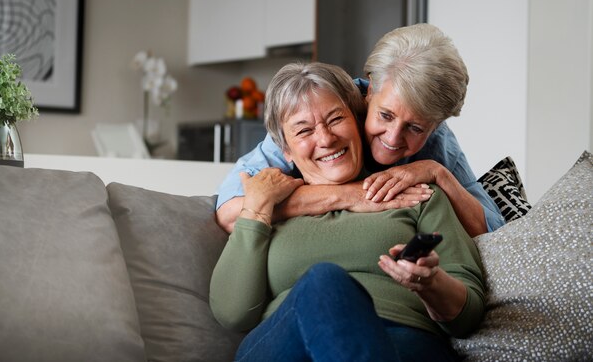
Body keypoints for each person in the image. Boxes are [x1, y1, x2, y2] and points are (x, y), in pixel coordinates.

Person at [209, 62, 485, 361]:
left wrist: (431, 284)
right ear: (285, 149)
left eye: (336, 118)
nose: (326, 139)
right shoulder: (267, 209)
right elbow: (232, 313)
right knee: (324, 282)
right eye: (304, 130)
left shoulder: (415, 194)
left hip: (404, 341)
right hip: (289, 344)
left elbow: (468, 316)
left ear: (358, 119)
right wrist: (257, 210)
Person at [215, 24, 504, 237]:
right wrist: (353, 196)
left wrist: (436, 172)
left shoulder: (436, 138)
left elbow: (491, 230)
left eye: (415, 128)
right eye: (385, 115)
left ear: (435, 124)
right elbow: (229, 211)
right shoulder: (318, 115)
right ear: (368, 90)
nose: (393, 138)